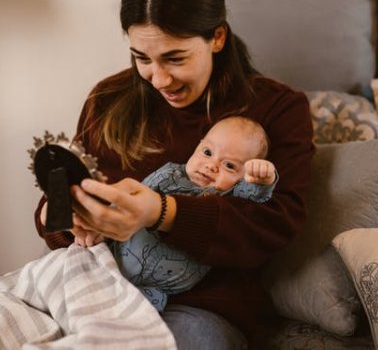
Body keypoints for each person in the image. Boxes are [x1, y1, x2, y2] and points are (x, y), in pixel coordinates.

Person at [34, 0, 314, 348]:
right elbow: (69, 197)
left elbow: (275, 225)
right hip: (100, 289)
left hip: (201, 308)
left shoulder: (277, 109)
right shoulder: (108, 99)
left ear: (217, 37)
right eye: (141, 59)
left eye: (175, 58)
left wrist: (161, 212)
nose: (158, 78)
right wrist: (62, 217)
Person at [111, 116, 278, 312]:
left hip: (157, 290)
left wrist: (264, 178)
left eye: (230, 166)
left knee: (134, 318)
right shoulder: (169, 174)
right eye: (207, 152)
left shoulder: (229, 195)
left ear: (242, 178)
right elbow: (133, 200)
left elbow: (256, 196)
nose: (212, 166)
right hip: (114, 260)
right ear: (197, 146)